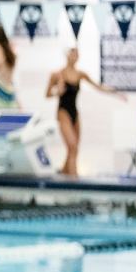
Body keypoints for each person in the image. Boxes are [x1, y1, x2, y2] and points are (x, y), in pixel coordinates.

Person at [46, 47, 122, 177]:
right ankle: (74, 180)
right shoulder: (57, 74)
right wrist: (57, 92)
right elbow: (47, 94)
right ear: (67, 56)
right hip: (63, 112)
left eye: (77, 55)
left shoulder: (80, 74)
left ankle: (64, 176)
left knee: (74, 149)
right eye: (72, 54)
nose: (74, 57)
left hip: (75, 112)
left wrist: (113, 91)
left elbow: (97, 86)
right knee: (72, 146)